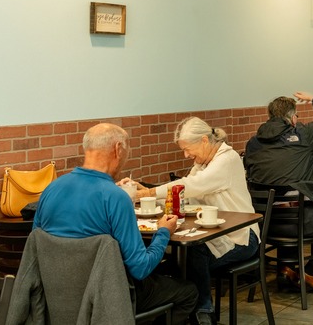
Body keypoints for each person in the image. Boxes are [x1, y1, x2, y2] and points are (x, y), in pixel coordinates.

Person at [32, 123, 197, 324]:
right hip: (107, 301)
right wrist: (163, 232)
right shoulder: (115, 198)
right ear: (118, 149)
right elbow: (141, 268)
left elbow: (37, 249)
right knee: (188, 292)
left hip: (55, 299)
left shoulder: (51, 189)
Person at [122, 117, 259, 325]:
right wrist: (144, 188)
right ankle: (188, 310)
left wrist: (148, 192)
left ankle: (202, 313)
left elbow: (193, 185)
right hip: (214, 233)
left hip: (241, 236)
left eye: (187, 149)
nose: (186, 155)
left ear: (204, 140)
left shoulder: (227, 159)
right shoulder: (202, 162)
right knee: (183, 257)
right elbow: (184, 189)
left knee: (191, 257)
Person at [243, 92, 313, 291]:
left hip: (264, 223)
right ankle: (312, 272)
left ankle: (286, 268)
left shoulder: (253, 143)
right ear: (293, 118)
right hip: (300, 221)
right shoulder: (302, 135)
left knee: (310, 211)